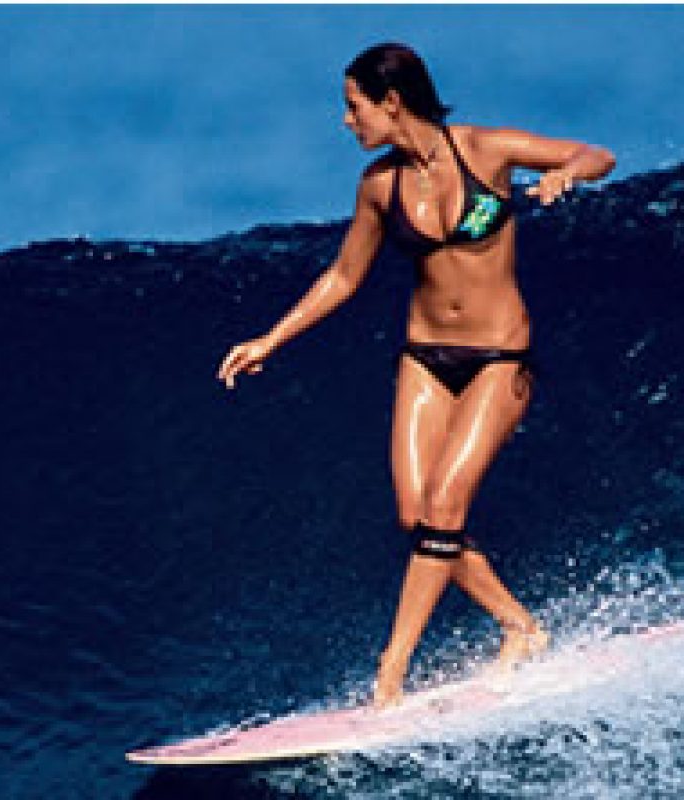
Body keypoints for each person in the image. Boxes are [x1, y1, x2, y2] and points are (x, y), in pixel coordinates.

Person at [216, 42, 616, 709]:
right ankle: (521, 627)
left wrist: (567, 174)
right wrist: (271, 340)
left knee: (444, 508)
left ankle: (390, 671)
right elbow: (344, 276)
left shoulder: (485, 150)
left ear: (392, 101)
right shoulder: (380, 186)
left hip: (498, 358)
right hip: (426, 357)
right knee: (416, 516)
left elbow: (595, 153)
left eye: (355, 107)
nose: (348, 121)